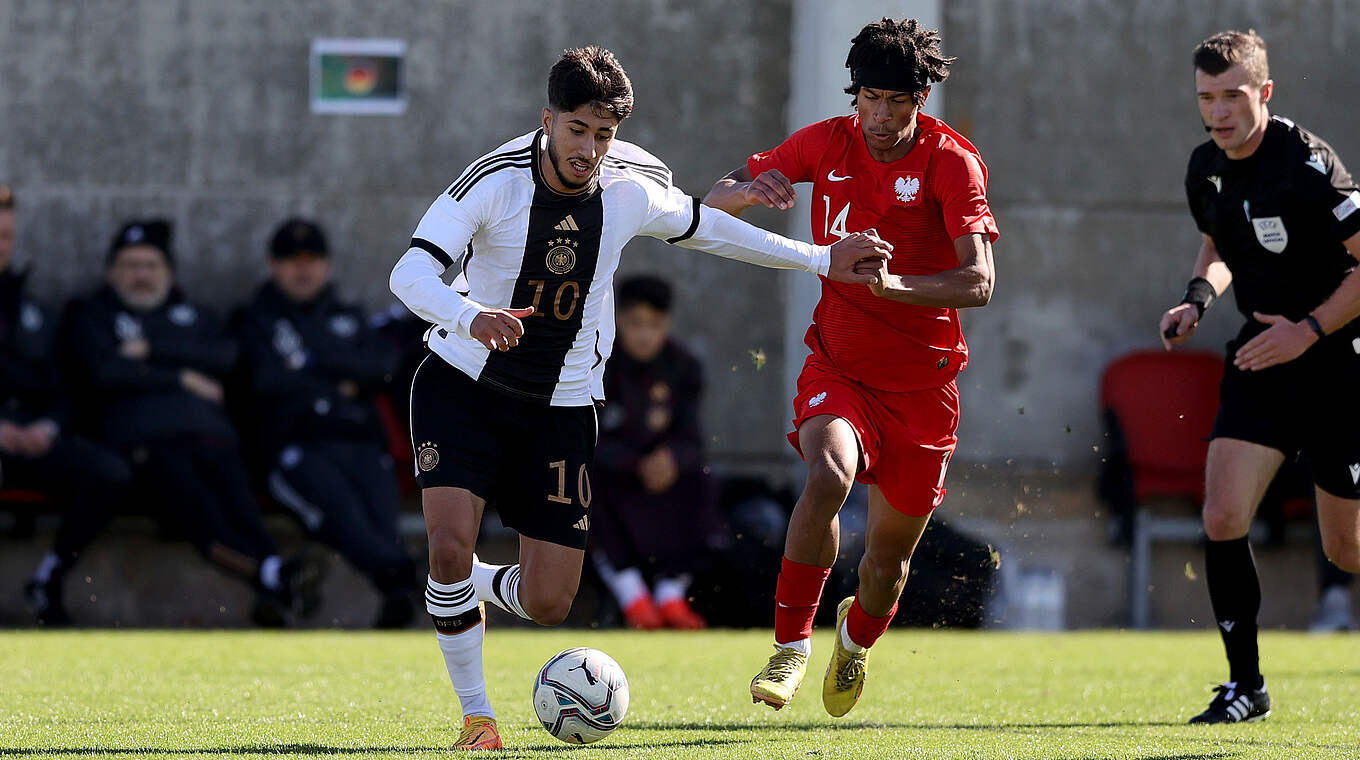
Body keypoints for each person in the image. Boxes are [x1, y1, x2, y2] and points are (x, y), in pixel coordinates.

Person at [388, 45, 891, 750]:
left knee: (548, 601)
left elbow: (706, 226)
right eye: (576, 130)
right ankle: (477, 716)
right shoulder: (492, 182)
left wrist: (817, 258)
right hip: (462, 384)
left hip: (562, 405)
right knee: (445, 542)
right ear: (547, 120)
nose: (589, 149)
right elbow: (408, 274)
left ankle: (463, 583)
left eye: (603, 134)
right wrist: (470, 316)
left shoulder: (629, 185)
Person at [703, 17, 998, 717]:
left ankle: (854, 640)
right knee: (829, 473)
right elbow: (712, 202)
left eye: (900, 100)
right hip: (838, 366)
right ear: (854, 94)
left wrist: (896, 288)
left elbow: (979, 281)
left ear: (920, 98)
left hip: (925, 390)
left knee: (885, 568)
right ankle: (790, 646)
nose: (883, 115)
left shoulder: (952, 162)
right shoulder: (822, 143)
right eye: (871, 97)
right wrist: (749, 194)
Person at [1159, 29, 1360, 723]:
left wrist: (1308, 331)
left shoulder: (1309, 166)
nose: (1219, 111)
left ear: (1264, 93)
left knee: (1347, 548)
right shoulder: (1204, 168)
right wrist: (1196, 297)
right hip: (1261, 354)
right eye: (1206, 97)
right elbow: (1219, 241)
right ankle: (1246, 686)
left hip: (1336, 358)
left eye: (1233, 95)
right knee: (1222, 515)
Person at [61, 219, 324, 627]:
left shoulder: (193, 314)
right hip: (147, 447)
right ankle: (276, 576)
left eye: (150, 265)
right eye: (130, 265)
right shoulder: (91, 314)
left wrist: (150, 350)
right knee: (202, 512)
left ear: (167, 271)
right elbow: (103, 372)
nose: (141, 276)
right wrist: (181, 375)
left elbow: (225, 356)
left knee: (244, 512)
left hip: (214, 439)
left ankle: (274, 579)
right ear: (113, 271)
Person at [233, 218, 416, 628]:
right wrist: (343, 377)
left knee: (381, 526)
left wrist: (313, 361)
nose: (303, 269)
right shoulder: (255, 319)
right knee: (343, 518)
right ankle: (413, 579)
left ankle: (299, 593)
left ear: (327, 265)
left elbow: (383, 367)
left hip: (361, 444)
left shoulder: (347, 315)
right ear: (272, 265)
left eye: (312, 259)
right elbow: (267, 381)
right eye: (291, 260)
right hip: (295, 448)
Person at [0, 185, 133, 625]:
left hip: (32, 440)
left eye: (5, 236)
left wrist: (47, 427)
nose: (0, 245)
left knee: (109, 473)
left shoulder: (31, 309)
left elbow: (61, 388)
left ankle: (48, 577)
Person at [590, 274, 722, 631]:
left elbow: (692, 437)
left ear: (668, 323)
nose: (645, 334)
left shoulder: (683, 367)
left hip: (665, 477)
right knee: (586, 483)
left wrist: (672, 459)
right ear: (617, 320)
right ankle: (630, 592)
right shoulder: (597, 361)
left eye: (654, 324)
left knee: (702, 480)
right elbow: (587, 437)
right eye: (635, 324)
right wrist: (635, 464)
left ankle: (671, 591)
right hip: (615, 473)